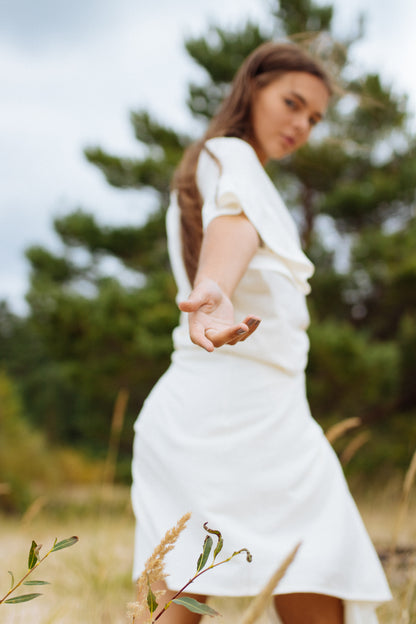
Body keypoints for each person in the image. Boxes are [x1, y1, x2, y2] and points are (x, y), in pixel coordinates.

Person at [131, 42, 391, 624]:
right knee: (303, 570)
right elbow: (235, 223)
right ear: (252, 88)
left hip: (255, 414)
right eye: (292, 103)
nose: (301, 124)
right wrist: (216, 286)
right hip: (225, 417)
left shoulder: (222, 168)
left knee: (295, 572)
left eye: (315, 117)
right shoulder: (230, 157)